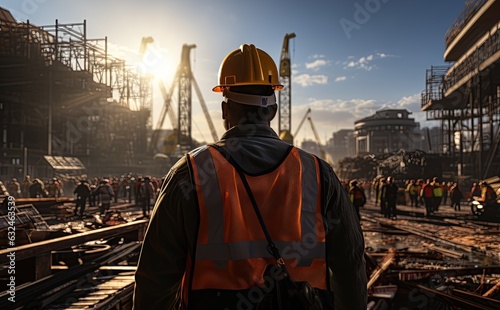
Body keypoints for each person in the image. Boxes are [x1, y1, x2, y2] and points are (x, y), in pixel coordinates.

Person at [133, 44, 367, 309]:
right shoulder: (317, 173)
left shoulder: (190, 172)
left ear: (225, 111)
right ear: (274, 112)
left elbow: (155, 278)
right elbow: (350, 264)